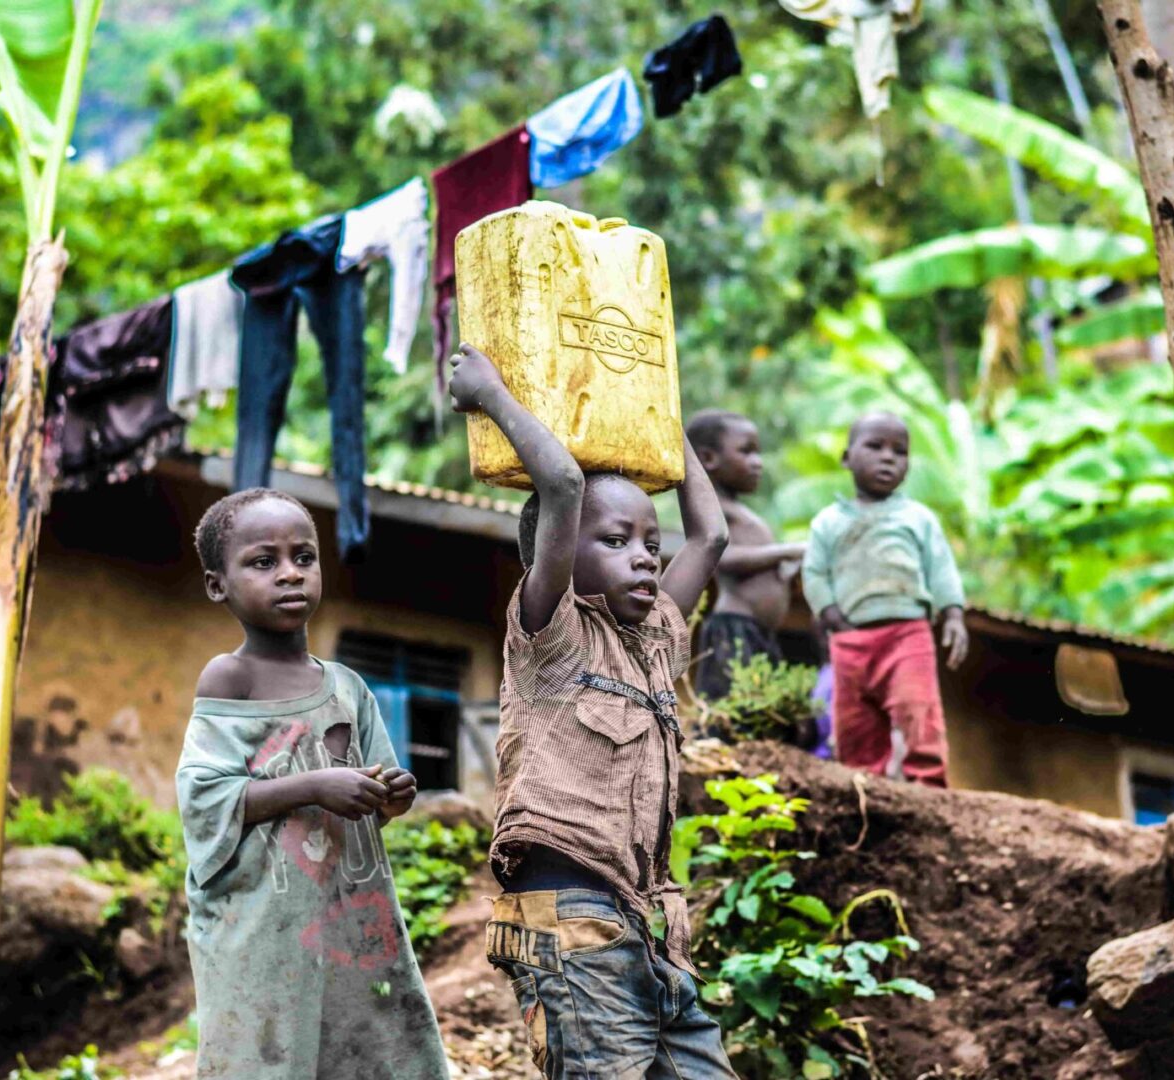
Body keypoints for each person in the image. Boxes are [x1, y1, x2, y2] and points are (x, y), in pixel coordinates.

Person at [447, 343, 736, 1079]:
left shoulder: (657, 639)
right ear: (557, 555)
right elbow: (563, 485)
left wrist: (659, 416)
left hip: (652, 927)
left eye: (650, 543)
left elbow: (712, 535)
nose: (645, 557)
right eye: (616, 542)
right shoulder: (552, 634)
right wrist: (491, 394)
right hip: (569, 919)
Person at [176, 488, 447, 1078]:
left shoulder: (347, 687)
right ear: (217, 584)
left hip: (347, 912)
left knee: (364, 1046)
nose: (290, 575)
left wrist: (390, 795)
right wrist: (314, 786)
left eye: (304, 557)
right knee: (266, 1053)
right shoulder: (230, 677)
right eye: (263, 562)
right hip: (257, 925)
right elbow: (205, 799)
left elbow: (375, 795)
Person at [802, 411, 968, 788]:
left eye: (900, 451)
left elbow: (941, 568)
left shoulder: (917, 517)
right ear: (846, 458)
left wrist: (954, 615)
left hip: (908, 634)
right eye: (875, 446)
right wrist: (830, 613)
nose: (888, 457)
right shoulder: (827, 521)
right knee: (854, 724)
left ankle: (928, 786)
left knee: (918, 713)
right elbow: (814, 572)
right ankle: (865, 790)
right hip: (849, 640)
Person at [685, 409, 807, 702]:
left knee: (760, 710)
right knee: (730, 710)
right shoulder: (713, 508)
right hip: (734, 628)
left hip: (758, 631)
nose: (758, 463)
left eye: (758, 453)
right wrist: (787, 551)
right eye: (747, 452)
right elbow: (720, 556)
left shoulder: (744, 512)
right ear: (709, 459)